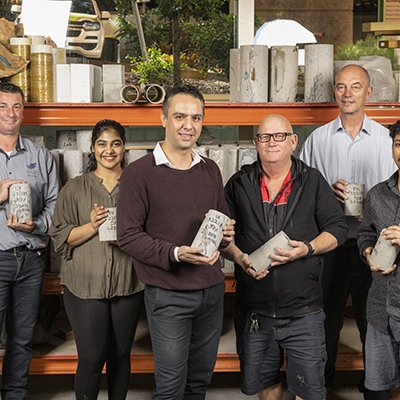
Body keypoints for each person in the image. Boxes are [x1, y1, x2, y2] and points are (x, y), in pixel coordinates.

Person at [117, 84, 235, 400]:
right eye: (180, 116)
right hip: (168, 296)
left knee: (198, 383)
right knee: (170, 388)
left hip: (211, 293)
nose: (188, 125)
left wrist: (226, 237)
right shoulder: (139, 173)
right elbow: (127, 236)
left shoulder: (210, 169)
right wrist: (176, 253)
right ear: (163, 118)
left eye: (196, 118)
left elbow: (221, 222)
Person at [223, 114, 348, 400]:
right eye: (265, 136)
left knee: (309, 388)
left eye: (280, 136)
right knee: (265, 383)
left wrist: (308, 248)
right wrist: (240, 257)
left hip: (303, 310)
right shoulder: (239, 183)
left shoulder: (312, 181)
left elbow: (338, 227)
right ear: (256, 143)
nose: (272, 142)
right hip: (256, 309)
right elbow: (222, 236)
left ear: (293, 141)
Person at [300, 64, 396, 397]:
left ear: (368, 92)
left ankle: (375, 386)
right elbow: (302, 192)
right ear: (334, 92)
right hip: (331, 244)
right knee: (325, 320)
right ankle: (320, 385)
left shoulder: (387, 139)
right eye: (341, 87)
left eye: (356, 87)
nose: (347, 93)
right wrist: (328, 193)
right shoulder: (317, 139)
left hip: (376, 247)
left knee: (375, 323)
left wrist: (371, 194)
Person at [50, 119, 144, 400]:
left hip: (128, 283)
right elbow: (60, 237)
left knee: (121, 355)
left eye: (115, 143)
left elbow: (150, 234)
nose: (109, 150)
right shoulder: (75, 188)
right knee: (91, 358)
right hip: (84, 286)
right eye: (102, 144)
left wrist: (127, 236)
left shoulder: (137, 186)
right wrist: (92, 226)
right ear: (92, 148)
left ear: (124, 147)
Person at [0, 82, 59, 399]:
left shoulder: (40, 155)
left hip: (31, 261)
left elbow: (55, 206)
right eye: (2, 106)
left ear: (24, 111)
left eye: (16, 106)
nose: (10, 113)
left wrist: (35, 224)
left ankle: (15, 395)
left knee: (22, 337)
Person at [356, 120, 400, 399]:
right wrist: (367, 250)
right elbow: (364, 233)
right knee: (378, 388)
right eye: (398, 144)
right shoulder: (378, 194)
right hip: (380, 307)